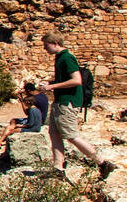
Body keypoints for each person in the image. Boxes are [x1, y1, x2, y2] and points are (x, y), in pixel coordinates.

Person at [38, 32, 115, 177]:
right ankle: (58, 169)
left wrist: (51, 87)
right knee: (54, 134)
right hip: (60, 101)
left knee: (72, 136)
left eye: (46, 45)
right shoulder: (60, 58)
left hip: (68, 102)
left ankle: (102, 163)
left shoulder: (67, 58)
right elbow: (66, 79)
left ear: (55, 43)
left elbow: (76, 80)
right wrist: (51, 83)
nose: (45, 49)